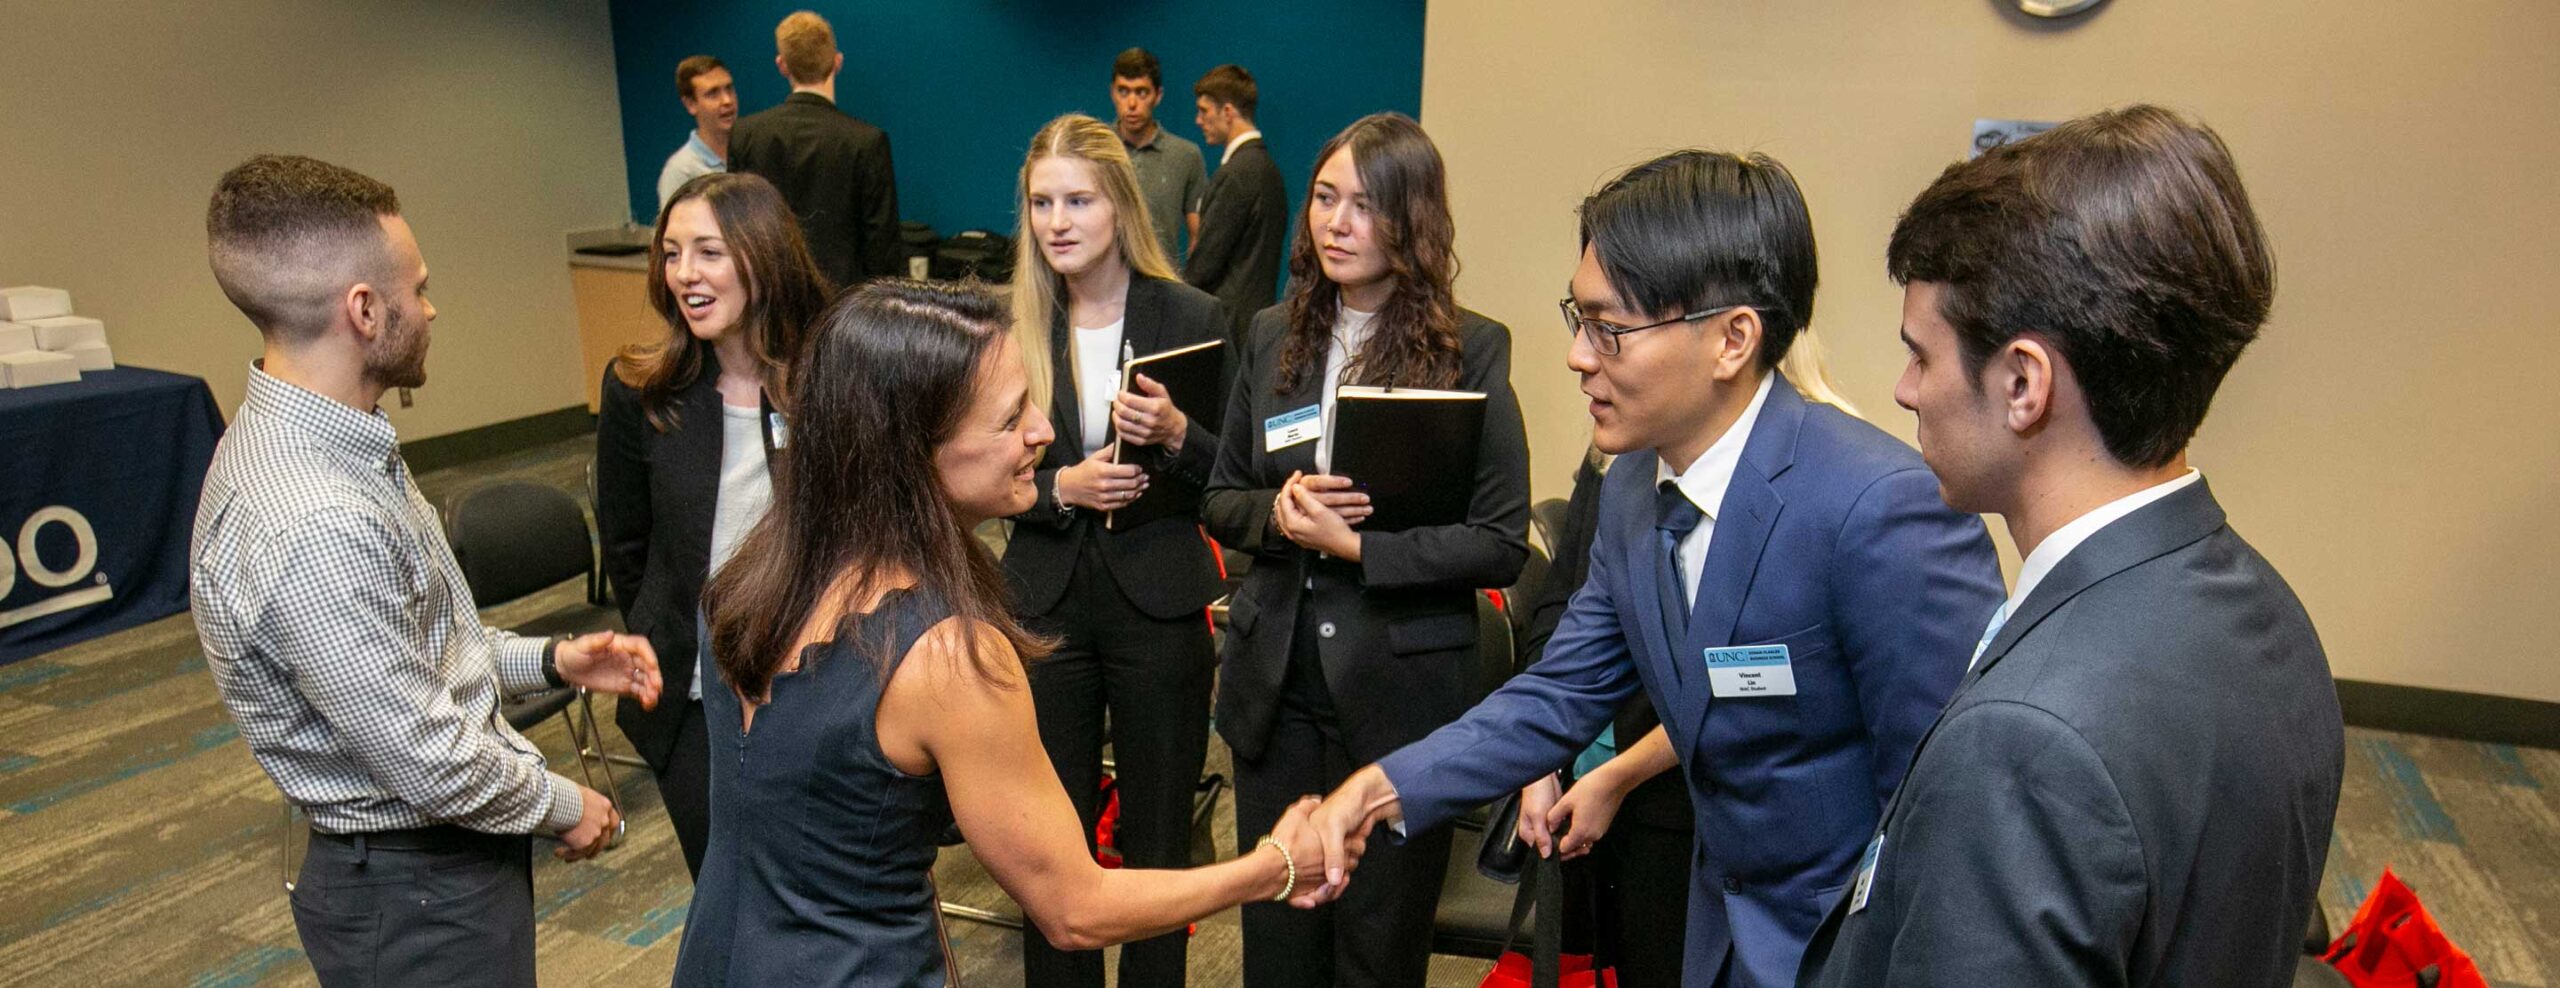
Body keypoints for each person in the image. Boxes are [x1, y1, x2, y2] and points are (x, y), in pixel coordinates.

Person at [1299, 149, 2006, 988]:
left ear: (1732, 339)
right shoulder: (1634, 485)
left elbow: (1943, 807)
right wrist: (1380, 789)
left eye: (1611, 329)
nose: (1577, 356)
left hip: (1844, 953)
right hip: (1713, 934)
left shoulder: (1881, 508)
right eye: (1580, 318)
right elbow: (1560, 693)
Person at [1794, 105, 2343, 986]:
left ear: (2023, 383)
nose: (1904, 390)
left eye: (1921, 356)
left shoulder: (2023, 748)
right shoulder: (2268, 609)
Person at [670, 279, 1338, 987]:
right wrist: (1274, 866)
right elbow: (1075, 908)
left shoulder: (743, 585)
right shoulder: (945, 656)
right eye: (1010, 417)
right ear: (913, 452)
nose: (1042, 432)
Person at [194, 154, 663, 988]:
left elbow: (423, 646)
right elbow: (428, 758)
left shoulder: (333, 441)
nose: (432, 307)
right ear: (365, 310)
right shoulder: (315, 516)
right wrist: (566, 804)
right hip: (415, 894)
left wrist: (554, 660)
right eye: (418, 288)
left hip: (432, 871)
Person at [1200, 112, 1531, 988]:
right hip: (1275, 685)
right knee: (1279, 940)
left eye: (1365, 204)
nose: (1336, 223)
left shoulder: (1471, 349)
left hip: (1399, 694)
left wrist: (1357, 548)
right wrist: (1279, 514)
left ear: (1411, 220)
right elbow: (1221, 495)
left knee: (1377, 951)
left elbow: (1500, 543)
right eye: (1324, 198)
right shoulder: (1272, 332)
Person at [1000, 112, 1233, 988]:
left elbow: (1235, 476)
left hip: (1160, 603)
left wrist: (1176, 435)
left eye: (1079, 201)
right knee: (1048, 846)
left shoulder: (1192, 316)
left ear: (1120, 207)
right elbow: (964, 476)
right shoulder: (1010, 325)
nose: (1057, 222)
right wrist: (1060, 487)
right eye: (1041, 203)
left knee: (1159, 842)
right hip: (1042, 609)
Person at [596, 171, 831, 880]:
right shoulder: (640, 390)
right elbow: (628, 548)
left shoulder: (829, 380)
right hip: (694, 701)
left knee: (816, 889)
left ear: (764, 256)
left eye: (708, 252)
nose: (684, 274)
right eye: (671, 254)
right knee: (726, 892)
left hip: (816, 687)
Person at [728, 10, 900, 287]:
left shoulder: (745, 135)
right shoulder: (867, 141)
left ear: (782, 65)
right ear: (837, 62)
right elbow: (882, 247)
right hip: (842, 300)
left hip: (769, 295)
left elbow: (735, 228)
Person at [1184, 64, 1288, 343]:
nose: (1198, 120)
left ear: (1228, 112)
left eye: (1204, 110)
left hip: (1228, 329)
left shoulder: (1236, 174)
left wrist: (1176, 301)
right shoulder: (1269, 170)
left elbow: (1204, 264)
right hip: (1256, 324)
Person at [1110, 48, 1206, 267]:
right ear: (1112, 93)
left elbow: (1198, 236)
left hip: (1162, 278)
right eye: (1123, 91)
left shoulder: (1185, 155)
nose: (1132, 103)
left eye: (1141, 92)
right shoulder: (1095, 151)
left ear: (1158, 95)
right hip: (1102, 279)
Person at [656, 56, 737, 213]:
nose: (727, 100)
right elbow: (676, 225)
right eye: (713, 93)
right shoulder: (681, 171)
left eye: (729, 89)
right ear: (690, 104)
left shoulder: (751, 151)